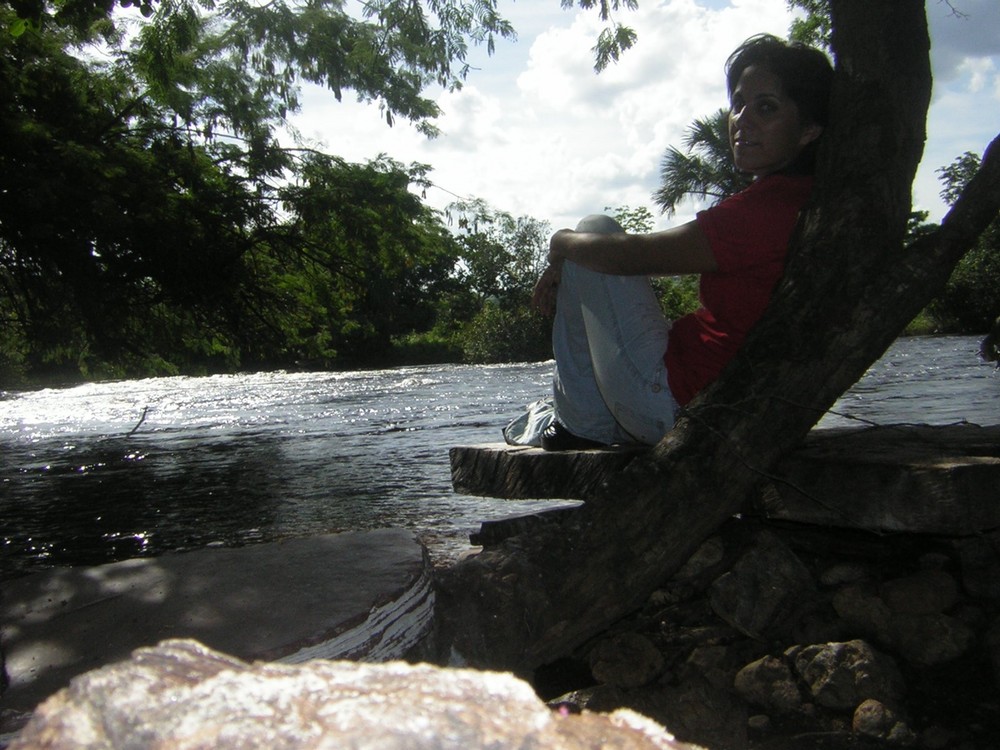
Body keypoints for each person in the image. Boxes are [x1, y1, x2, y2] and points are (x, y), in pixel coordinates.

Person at [527, 34, 834, 451]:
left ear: (809, 130)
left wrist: (560, 243)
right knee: (591, 247)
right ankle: (586, 420)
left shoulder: (769, 209)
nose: (742, 119)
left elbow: (634, 257)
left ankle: (581, 422)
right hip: (699, 399)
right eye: (739, 103)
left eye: (767, 107)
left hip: (675, 407)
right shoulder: (802, 201)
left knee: (593, 231)